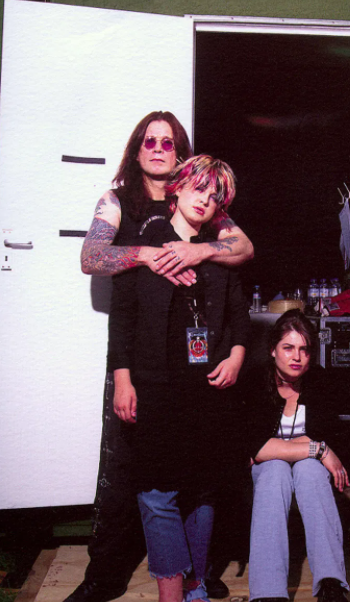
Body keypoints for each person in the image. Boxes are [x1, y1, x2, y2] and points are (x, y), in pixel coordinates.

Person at [69, 111, 253, 602]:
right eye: (148, 140)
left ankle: (196, 575)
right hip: (140, 367)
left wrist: (199, 251)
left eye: (168, 142)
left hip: (195, 378)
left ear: (181, 154)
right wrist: (147, 254)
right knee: (124, 479)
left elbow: (242, 250)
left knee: (199, 481)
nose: (157, 148)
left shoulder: (203, 195)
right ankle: (104, 578)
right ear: (137, 148)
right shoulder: (119, 201)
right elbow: (91, 259)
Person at [110, 153, 251, 602]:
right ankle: (173, 593)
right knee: (155, 493)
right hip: (153, 388)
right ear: (178, 188)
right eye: (198, 189)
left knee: (202, 490)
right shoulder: (143, 242)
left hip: (208, 391)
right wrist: (123, 379)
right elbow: (124, 317)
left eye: (214, 197)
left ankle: (195, 591)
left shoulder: (221, 251)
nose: (205, 201)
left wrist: (236, 356)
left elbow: (239, 315)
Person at [246, 310, 350, 602]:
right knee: (274, 472)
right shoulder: (256, 381)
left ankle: (331, 584)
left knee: (310, 472)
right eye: (288, 348)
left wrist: (283, 447)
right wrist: (317, 448)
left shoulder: (320, 382)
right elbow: (257, 448)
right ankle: (268, 593)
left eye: (304, 349)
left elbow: (325, 432)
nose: (297, 357)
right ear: (272, 350)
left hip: (307, 470)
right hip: (270, 473)